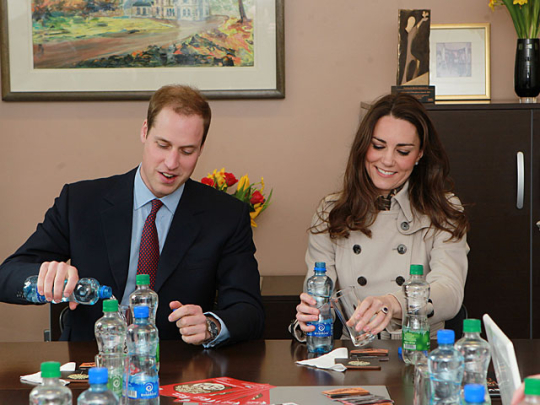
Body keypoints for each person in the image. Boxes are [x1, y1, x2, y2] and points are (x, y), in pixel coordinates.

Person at [0, 84, 264, 347]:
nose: (172, 163)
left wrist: (210, 325)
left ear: (201, 148)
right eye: (163, 145)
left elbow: (249, 310)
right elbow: (7, 276)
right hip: (90, 359)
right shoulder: (80, 202)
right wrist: (44, 276)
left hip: (177, 362)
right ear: (145, 131)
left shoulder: (226, 216)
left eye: (187, 151)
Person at [293, 92, 469, 341]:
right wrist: (309, 318)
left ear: (419, 154)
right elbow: (320, 293)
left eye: (403, 151)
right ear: (363, 146)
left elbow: (450, 292)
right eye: (378, 146)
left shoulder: (444, 209)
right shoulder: (331, 212)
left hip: (421, 348)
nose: (387, 160)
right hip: (356, 352)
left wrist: (393, 303)